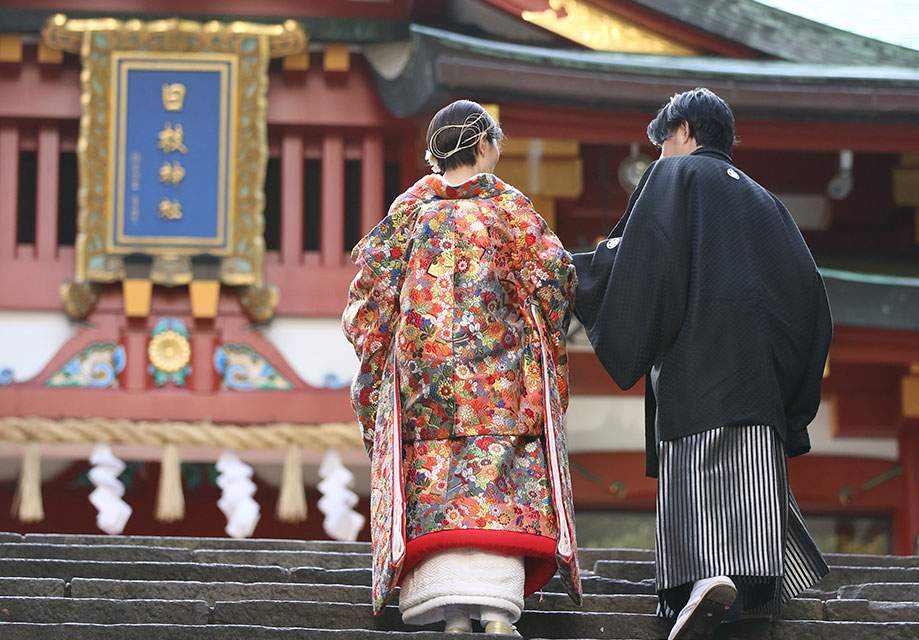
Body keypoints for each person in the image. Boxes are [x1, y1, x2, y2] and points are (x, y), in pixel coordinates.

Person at [572, 88, 831, 640]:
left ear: (685, 130)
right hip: (759, 389)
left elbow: (640, 255)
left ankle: (700, 591)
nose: (661, 155)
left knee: (703, 489)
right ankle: (758, 598)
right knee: (752, 496)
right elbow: (811, 298)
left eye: (664, 141)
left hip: (696, 372)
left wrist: (572, 271)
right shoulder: (769, 203)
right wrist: (792, 397)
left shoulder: (675, 178)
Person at [343, 99, 582, 635]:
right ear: (481, 144)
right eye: (496, 140)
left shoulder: (407, 212)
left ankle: (449, 615)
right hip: (497, 388)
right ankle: (497, 614)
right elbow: (554, 281)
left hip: (421, 388)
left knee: (433, 487)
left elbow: (368, 300)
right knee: (494, 488)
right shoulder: (508, 209)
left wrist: (389, 359)